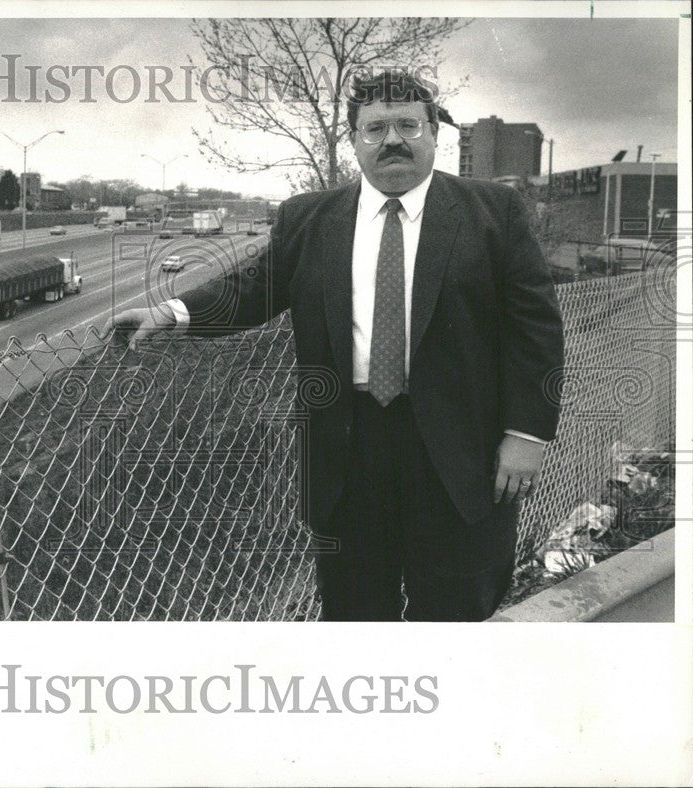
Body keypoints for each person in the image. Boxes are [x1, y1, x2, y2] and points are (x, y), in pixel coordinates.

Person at [106, 71, 565, 621]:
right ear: (353, 141)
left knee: (455, 613)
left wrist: (527, 433)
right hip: (348, 450)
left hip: (461, 450)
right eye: (375, 128)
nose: (392, 139)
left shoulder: (494, 212)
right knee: (353, 611)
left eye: (407, 125)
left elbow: (535, 331)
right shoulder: (309, 217)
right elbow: (254, 287)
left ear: (434, 134)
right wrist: (172, 312)